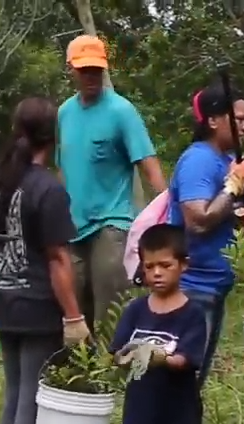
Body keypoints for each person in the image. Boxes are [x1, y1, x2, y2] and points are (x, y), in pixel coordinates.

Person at [0, 96, 88, 424]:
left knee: (14, 392)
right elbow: (58, 259)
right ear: (53, 136)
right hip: (39, 304)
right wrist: (74, 316)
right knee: (32, 395)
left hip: (5, 299)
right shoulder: (48, 188)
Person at [57, 35, 167, 330]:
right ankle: (83, 375)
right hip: (73, 226)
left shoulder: (121, 111)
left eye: (96, 69)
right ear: (71, 70)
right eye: (84, 70)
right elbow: (61, 168)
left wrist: (168, 214)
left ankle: (113, 371)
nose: (91, 76)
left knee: (110, 313)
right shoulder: (64, 113)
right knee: (76, 315)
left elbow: (147, 162)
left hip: (111, 223)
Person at [109, 225, 208, 424]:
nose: (157, 273)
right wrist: (123, 357)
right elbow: (116, 352)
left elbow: (185, 359)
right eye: (149, 266)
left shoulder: (192, 314)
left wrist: (158, 356)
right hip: (140, 412)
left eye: (165, 265)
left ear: (183, 265)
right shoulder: (135, 310)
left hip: (178, 414)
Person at [168, 83, 244, 383]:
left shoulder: (222, 159)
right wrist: (234, 186)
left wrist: (242, 218)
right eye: (238, 118)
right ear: (213, 120)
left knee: (195, 378)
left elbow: (218, 214)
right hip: (194, 287)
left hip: (213, 287)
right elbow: (197, 220)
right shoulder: (199, 160)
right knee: (184, 380)